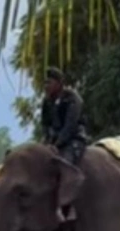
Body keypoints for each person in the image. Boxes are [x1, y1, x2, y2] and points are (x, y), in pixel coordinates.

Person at [40, 67, 89, 222]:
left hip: (73, 139)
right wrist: (47, 142)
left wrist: (58, 143)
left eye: (49, 82)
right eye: (45, 83)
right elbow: (45, 125)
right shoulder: (47, 102)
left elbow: (70, 126)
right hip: (54, 142)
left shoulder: (72, 99)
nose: (46, 86)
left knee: (65, 164)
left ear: (59, 83)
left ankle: (67, 205)